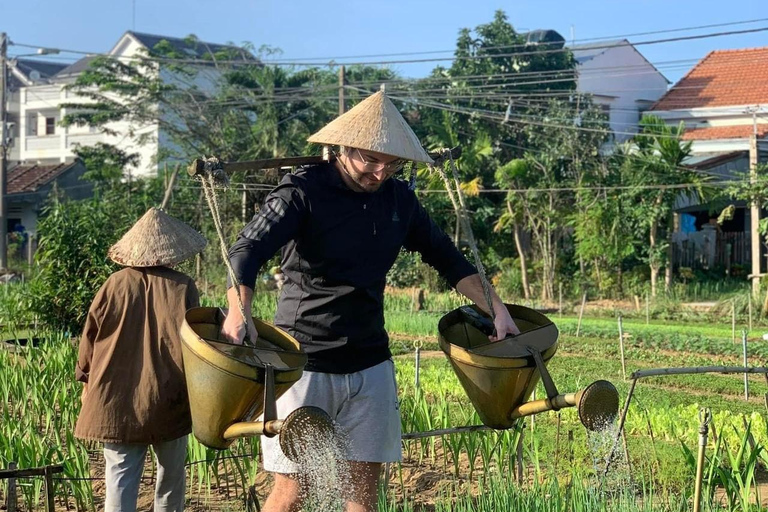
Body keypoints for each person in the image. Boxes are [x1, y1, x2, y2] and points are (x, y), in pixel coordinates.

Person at [222, 91, 519, 512]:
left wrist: (498, 309)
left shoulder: (399, 201)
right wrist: (240, 311)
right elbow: (246, 251)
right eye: (370, 160)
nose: (380, 173)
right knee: (294, 488)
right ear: (343, 148)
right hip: (304, 362)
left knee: (362, 493)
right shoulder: (301, 192)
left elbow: (449, 260)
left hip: (370, 362)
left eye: (392, 163)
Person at [74, 207, 207, 512]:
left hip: (115, 396)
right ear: (171, 250)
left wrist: (86, 381)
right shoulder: (183, 285)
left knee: (120, 477)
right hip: (169, 393)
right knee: (171, 478)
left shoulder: (114, 284)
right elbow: (195, 342)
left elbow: (90, 340)